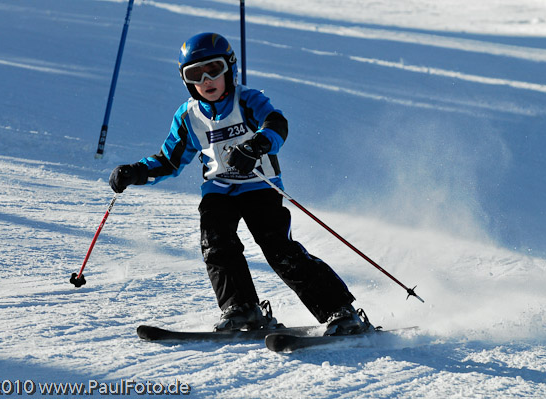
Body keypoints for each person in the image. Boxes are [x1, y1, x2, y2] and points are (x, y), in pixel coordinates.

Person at [109, 32, 372, 335]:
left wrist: (256, 145)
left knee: (278, 249)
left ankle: (339, 311)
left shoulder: (246, 100)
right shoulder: (188, 116)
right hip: (218, 190)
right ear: (186, 81)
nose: (206, 79)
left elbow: (276, 123)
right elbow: (170, 160)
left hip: (259, 185)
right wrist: (136, 172)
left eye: (214, 69)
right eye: (195, 74)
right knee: (216, 244)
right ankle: (242, 308)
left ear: (230, 69)